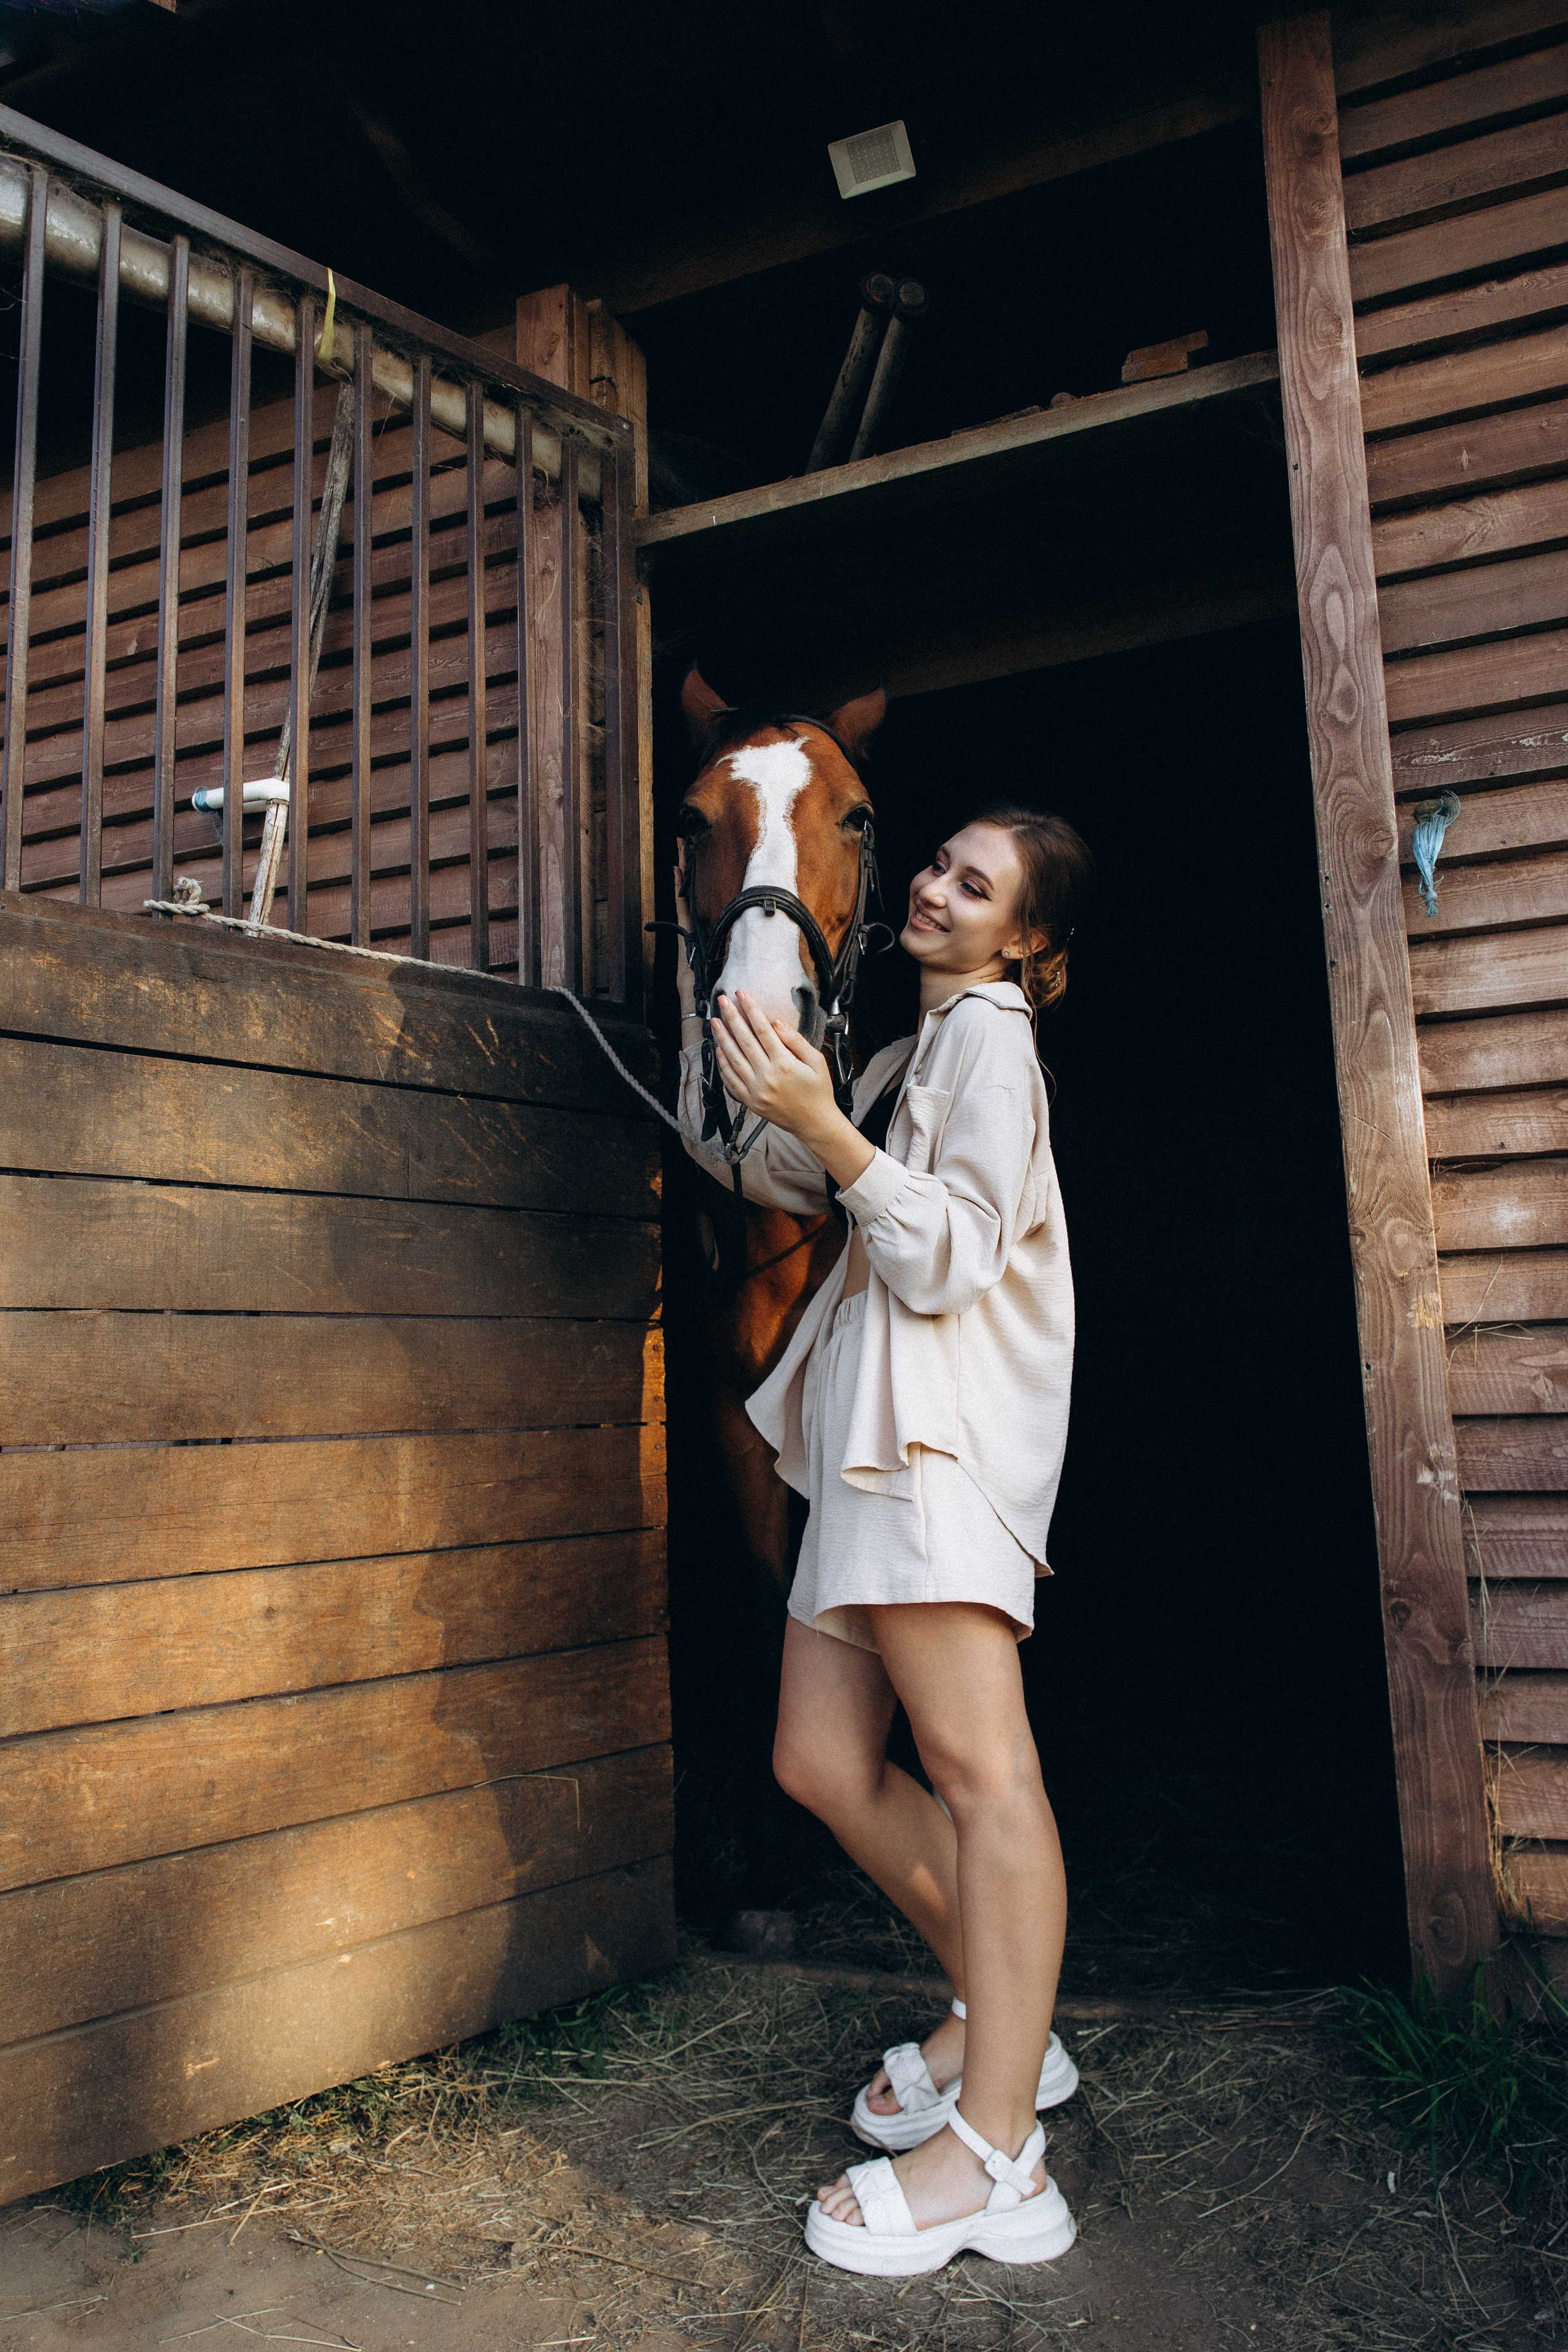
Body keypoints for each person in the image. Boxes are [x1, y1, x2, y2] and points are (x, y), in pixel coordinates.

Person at [674, 799, 1093, 2279]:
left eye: (972, 886)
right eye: (933, 865)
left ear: (1023, 937)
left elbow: (951, 1251)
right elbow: (813, 1177)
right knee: (822, 1766)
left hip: (934, 1448)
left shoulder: (991, 1043)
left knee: (985, 1777)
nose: (930, 888)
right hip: (861, 1448)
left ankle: (994, 2156)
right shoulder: (915, 1052)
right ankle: (1002, 2017)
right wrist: (732, 1095)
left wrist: (823, 1128)